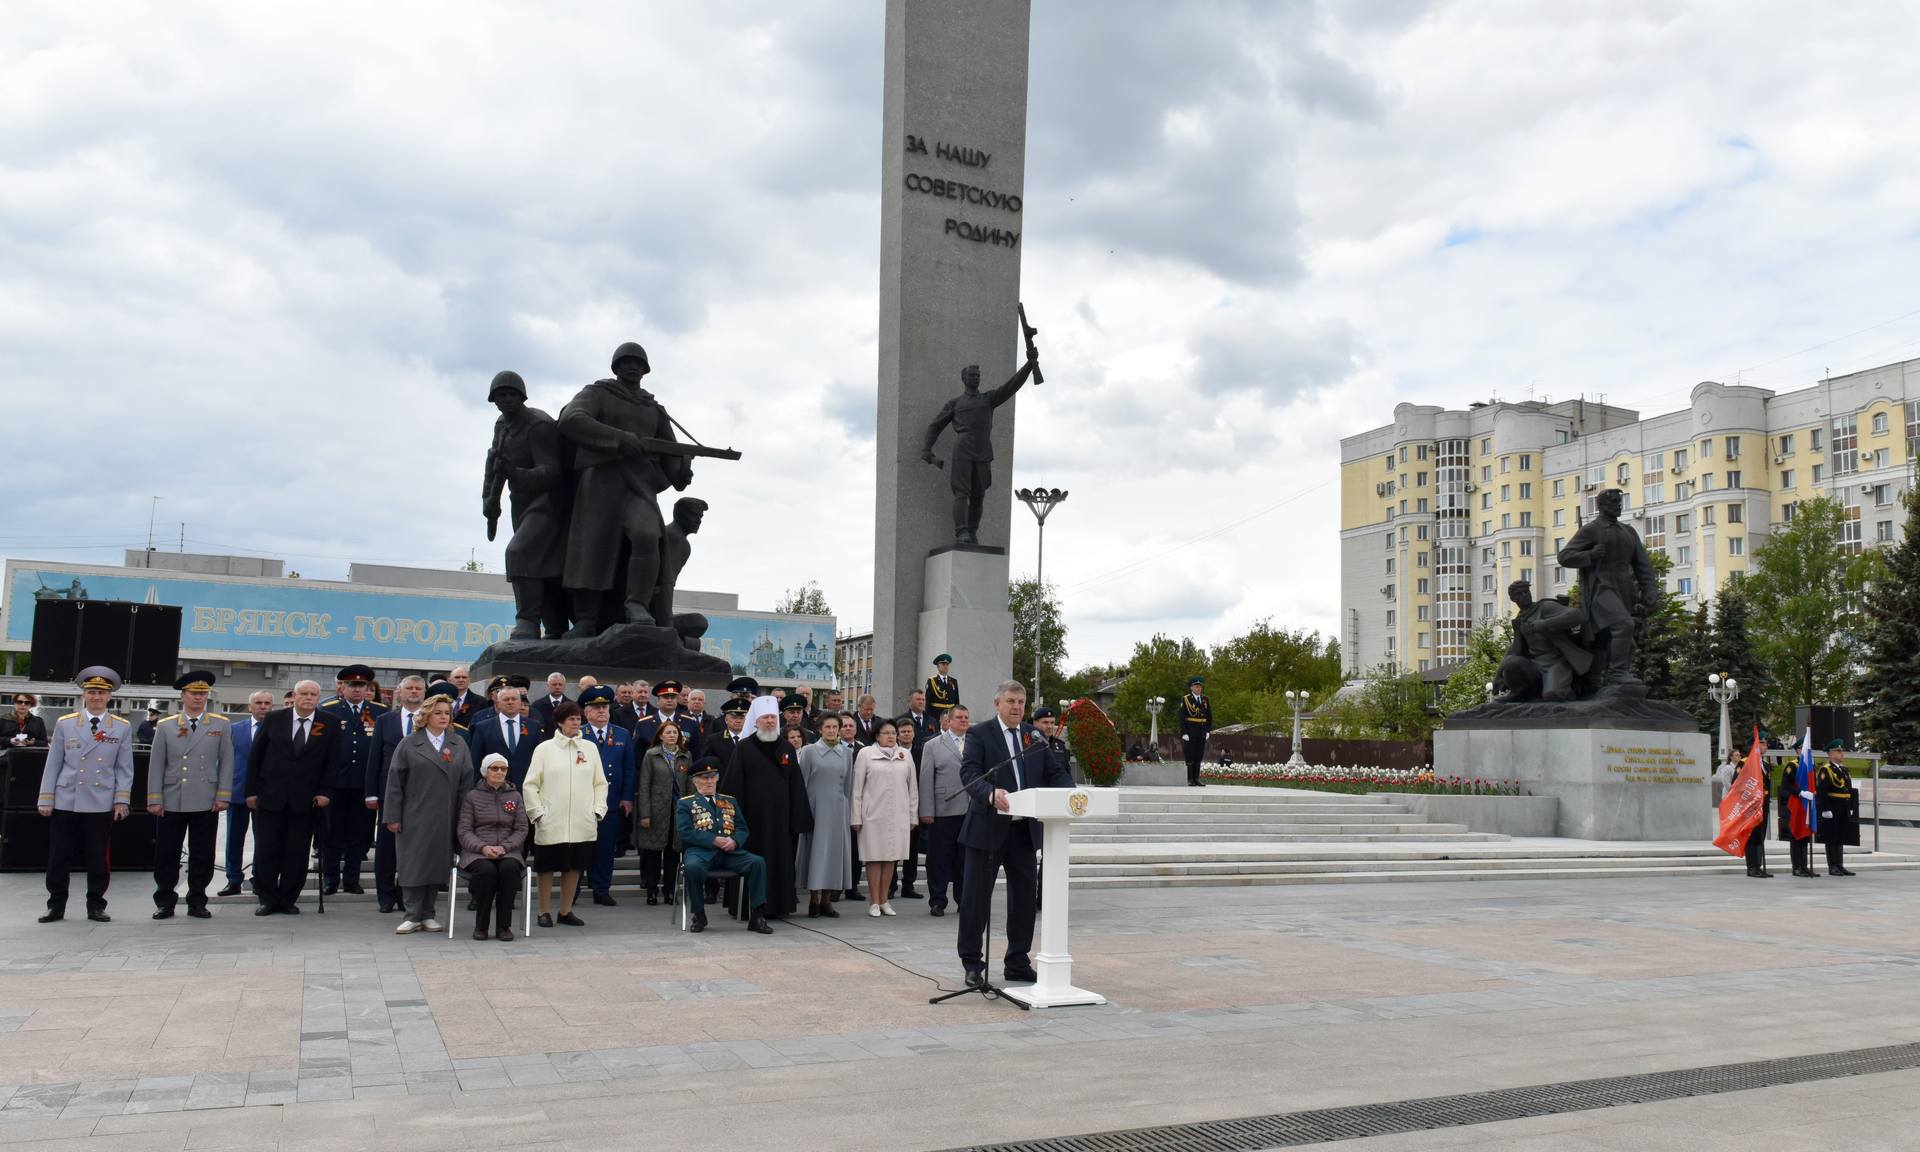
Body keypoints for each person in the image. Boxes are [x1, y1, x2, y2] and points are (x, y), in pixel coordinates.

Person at [557, 341, 695, 635]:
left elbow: (670, 451)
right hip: (601, 483)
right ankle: (586, 618)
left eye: (638, 363)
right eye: (626, 363)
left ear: (645, 370)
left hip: (639, 486)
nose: (632, 367)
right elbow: (571, 419)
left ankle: (637, 604)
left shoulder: (654, 409)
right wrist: (621, 439)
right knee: (593, 547)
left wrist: (681, 470)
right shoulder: (597, 393)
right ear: (616, 367)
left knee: (647, 535)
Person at [955, 680, 1074, 988]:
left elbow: (1054, 772)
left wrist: (1073, 796)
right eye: (1011, 701)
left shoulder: (1033, 736)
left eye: (1021, 702)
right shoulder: (980, 734)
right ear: (997, 703)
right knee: (975, 901)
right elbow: (969, 773)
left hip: (1024, 832)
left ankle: (1017, 961)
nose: (1016, 707)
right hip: (987, 830)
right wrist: (989, 793)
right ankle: (972, 963)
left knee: (1023, 901)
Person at [37, 667, 136, 923]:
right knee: (59, 855)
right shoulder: (66, 723)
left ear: (109, 697)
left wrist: (121, 800)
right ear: (84, 694)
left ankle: (96, 905)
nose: (96, 697)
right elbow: (53, 763)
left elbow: (124, 767)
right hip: (67, 798)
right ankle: (56, 905)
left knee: (97, 856)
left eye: (101, 693)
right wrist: (46, 798)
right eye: (91, 692)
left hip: (100, 800)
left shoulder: (121, 727)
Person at [920, 355, 1040, 544]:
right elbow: (935, 426)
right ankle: (962, 532)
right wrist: (927, 449)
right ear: (964, 379)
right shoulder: (955, 404)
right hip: (963, 451)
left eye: (977, 375)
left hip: (983, 451)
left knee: (979, 495)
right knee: (961, 493)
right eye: (972, 375)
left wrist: (1029, 366)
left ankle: (973, 531)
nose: (975, 378)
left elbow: (1011, 386)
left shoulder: (989, 399)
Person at [245, 680, 341, 915]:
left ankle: (288, 898)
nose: (308, 698)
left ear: (319, 698)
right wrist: (251, 791)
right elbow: (255, 758)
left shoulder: (329, 723)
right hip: (271, 795)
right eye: (304, 693)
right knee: (267, 849)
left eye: (313, 694)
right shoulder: (275, 719)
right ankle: (267, 898)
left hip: (306, 799)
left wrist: (325, 791)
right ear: (295, 696)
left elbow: (332, 762)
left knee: (297, 851)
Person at [144, 670, 234, 919]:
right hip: (173, 797)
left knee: (202, 852)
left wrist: (223, 794)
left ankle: (197, 900)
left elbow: (227, 761)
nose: (198, 698)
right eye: (194, 694)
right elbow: (156, 764)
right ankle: (165, 900)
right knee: (167, 853)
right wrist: (154, 798)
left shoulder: (220, 724)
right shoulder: (166, 726)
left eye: (202, 694)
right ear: (183, 696)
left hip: (205, 797)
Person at [384, 683, 471, 934]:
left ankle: (429, 913)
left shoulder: (458, 744)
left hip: (446, 814)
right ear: (426, 716)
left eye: (447, 713)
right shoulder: (410, 743)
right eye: (439, 712)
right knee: (413, 863)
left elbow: (466, 782)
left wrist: (465, 817)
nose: (444, 717)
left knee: (437, 864)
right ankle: (412, 914)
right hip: (413, 814)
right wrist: (392, 815)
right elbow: (394, 782)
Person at [719, 696, 813, 920]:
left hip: (780, 822)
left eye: (772, 717)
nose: (770, 722)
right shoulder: (743, 748)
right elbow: (732, 786)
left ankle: (778, 906)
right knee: (751, 862)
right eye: (765, 718)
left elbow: (796, 786)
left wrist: (799, 818)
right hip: (751, 821)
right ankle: (746, 906)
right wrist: (732, 820)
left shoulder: (787, 748)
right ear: (756, 721)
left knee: (779, 862)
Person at [522, 701, 606, 927]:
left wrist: (597, 810)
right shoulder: (545, 749)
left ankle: (566, 911)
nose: (576, 722)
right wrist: (538, 813)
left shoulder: (589, 748)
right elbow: (530, 784)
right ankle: (543, 911)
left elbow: (600, 783)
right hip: (552, 819)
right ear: (559, 722)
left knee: (574, 866)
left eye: (578, 718)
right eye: (571, 719)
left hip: (582, 819)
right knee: (547, 867)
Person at [675, 758, 772, 934]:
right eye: (704, 778)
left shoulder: (729, 801)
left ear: (717, 779)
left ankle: (757, 916)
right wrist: (713, 840)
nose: (709, 782)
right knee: (692, 867)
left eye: (712, 777)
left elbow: (742, 827)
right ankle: (698, 914)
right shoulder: (686, 803)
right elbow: (685, 831)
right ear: (695, 781)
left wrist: (735, 841)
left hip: (730, 853)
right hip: (700, 852)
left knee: (757, 862)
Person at [319, 664, 385, 895]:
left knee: (360, 835)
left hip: (363, 784)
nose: (356, 690)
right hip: (335, 783)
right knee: (332, 834)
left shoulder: (379, 711)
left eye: (361, 685)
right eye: (352, 685)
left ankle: (352, 879)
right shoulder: (328, 710)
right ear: (342, 687)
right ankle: (330, 878)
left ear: (368, 687)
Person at [366, 675, 427, 913]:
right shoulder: (385, 720)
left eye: (418, 688)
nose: (413, 692)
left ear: (424, 693)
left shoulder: (431, 720)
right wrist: (371, 792)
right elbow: (374, 758)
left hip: (420, 791)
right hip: (388, 790)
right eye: (409, 688)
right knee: (387, 846)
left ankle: (405, 894)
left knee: (412, 847)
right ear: (399, 693)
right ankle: (385, 896)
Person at [852, 718, 917, 918]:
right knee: (874, 857)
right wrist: (856, 816)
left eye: (893, 733)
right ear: (877, 736)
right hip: (873, 814)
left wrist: (913, 815)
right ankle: (873, 901)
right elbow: (857, 788)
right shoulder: (865, 754)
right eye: (886, 733)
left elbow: (912, 788)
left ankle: (884, 900)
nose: (891, 736)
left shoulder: (904, 755)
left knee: (891, 857)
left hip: (898, 814)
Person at [460, 753, 529, 940]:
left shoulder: (515, 796)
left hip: (508, 851)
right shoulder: (472, 796)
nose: (499, 772)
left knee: (509, 869)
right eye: (494, 768)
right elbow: (464, 830)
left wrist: (505, 847)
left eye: (503, 769)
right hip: (478, 852)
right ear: (485, 771)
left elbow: (522, 828)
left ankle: (504, 927)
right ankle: (481, 926)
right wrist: (483, 847)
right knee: (486, 872)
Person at [578, 685, 635, 907]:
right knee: (581, 849)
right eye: (596, 707)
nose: (601, 711)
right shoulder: (578, 734)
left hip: (610, 802)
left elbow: (629, 769)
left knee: (605, 850)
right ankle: (573, 890)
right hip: (582, 802)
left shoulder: (621, 734)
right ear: (586, 711)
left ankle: (601, 890)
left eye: (604, 707)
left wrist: (627, 797)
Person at [796, 714, 855, 917]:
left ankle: (827, 900)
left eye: (834, 727)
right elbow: (801, 783)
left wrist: (848, 810)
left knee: (834, 855)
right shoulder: (809, 751)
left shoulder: (846, 753)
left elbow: (849, 784)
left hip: (838, 809)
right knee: (816, 853)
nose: (831, 730)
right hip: (815, 809)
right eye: (827, 727)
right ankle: (813, 899)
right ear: (820, 729)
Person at [220, 689, 274, 897]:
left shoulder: (278, 729)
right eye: (258, 703)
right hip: (238, 793)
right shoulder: (234, 729)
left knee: (264, 840)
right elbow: (224, 762)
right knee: (234, 839)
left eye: (267, 703)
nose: (262, 707)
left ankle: (259, 878)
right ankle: (233, 879)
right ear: (250, 706)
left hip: (266, 796)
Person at [918, 705, 970, 917]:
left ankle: (963, 899)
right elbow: (926, 779)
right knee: (939, 858)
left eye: (966, 717)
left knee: (964, 860)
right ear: (948, 720)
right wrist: (927, 810)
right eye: (959, 717)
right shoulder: (933, 745)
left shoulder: (975, 743)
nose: (963, 721)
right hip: (943, 810)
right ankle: (938, 900)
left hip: (969, 810)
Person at [635, 719, 689, 905]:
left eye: (675, 733)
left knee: (673, 854)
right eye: (668, 732)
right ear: (660, 735)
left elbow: (689, 785)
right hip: (656, 810)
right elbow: (644, 784)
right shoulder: (652, 755)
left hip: (677, 811)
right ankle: (651, 890)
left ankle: (670, 891)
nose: (672, 736)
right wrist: (645, 814)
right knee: (652, 854)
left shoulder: (685, 756)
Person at [1816, 740, 1859, 877]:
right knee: (1831, 837)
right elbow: (1822, 791)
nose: (1842, 754)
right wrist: (1825, 809)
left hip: (1844, 806)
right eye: (1838, 751)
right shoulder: (1826, 770)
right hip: (1833, 807)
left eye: (1841, 751)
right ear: (1831, 753)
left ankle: (1840, 865)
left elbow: (1850, 789)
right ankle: (1832, 866)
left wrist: (1851, 806)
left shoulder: (1844, 769)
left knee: (1841, 836)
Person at [892, 718, 924, 900]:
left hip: (914, 807)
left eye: (908, 731)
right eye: (902, 731)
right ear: (897, 734)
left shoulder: (922, 752)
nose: (905, 734)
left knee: (912, 850)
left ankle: (908, 886)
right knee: (894, 848)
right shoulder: (891, 752)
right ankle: (891, 885)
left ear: (914, 733)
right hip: (895, 807)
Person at [1179, 675, 1213, 787]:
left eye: (1200, 687)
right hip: (1190, 731)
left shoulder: (1205, 699)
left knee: (1199, 755)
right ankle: (1190, 779)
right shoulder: (1186, 699)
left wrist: (1208, 730)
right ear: (1191, 688)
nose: (1199, 688)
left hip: (1202, 731)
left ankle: (1197, 778)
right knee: (1190, 755)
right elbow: (1182, 717)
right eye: (1196, 687)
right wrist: (1184, 732)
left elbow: (1209, 716)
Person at [926, 655, 959, 721]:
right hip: (936, 715)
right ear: (938, 666)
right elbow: (928, 701)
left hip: (950, 715)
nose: (945, 666)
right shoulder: (932, 681)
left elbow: (956, 700)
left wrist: (957, 715)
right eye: (943, 664)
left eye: (947, 664)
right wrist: (928, 718)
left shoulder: (953, 681)